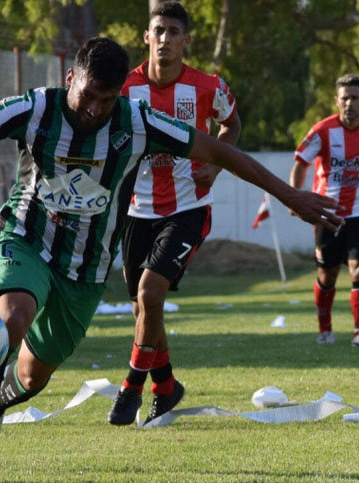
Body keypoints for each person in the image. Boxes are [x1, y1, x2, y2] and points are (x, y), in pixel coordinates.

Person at [0, 36, 341, 481]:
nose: (95, 109)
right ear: (70, 77)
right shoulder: (35, 107)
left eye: (107, 98)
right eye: (87, 95)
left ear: (120, 93)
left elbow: (218, 148)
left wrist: (291, 195)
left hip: (85, 270)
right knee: (8, 320)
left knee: (32, 375)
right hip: (23, 243)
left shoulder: (137, 123)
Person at [107, 1, 242, 427]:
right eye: (157, 31)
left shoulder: (206, 86)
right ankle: (166, 387)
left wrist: (216, 167)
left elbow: (232, 125)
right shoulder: (124, 88)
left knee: (149, 293)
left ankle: (130, 387)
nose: (164, 39)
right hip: (136, 210)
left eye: (172, 32)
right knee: (142, 308)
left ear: (186, 40)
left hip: (188, 208)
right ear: (146, 37)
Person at [290, 74, 359, 347]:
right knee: (328, 274)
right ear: (336, 101)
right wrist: (296, 197)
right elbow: (301, 162)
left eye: (355, 98)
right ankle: (325, 330)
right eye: (344, 98)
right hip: (328, 212)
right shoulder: (322, 131)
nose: (349, 103)